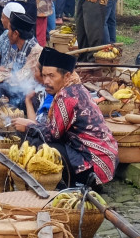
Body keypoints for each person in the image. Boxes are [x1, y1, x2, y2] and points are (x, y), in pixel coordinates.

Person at [12, 47, 116, 187]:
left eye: (52, 76)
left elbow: (52, 134)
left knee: (39, 145)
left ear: (66, 76)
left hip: (96, 163)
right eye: (44, 75)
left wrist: (28, 125)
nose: (46, 81)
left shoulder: (67, 96)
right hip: (101, 157)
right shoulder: (75, 88)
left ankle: (61, 184)